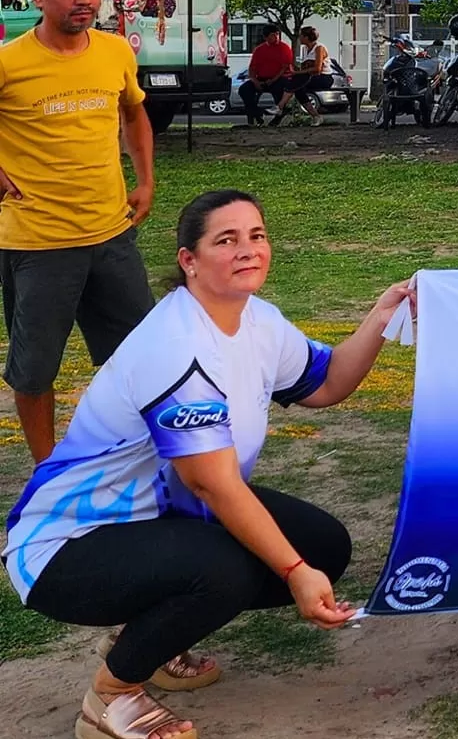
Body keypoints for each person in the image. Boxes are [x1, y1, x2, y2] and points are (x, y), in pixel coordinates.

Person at [6, 189, 413, 739]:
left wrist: (382, 316)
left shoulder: (258, 320)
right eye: (226, 240)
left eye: (257, 235)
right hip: (68, 544)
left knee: (323, 546)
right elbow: (213, 485)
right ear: (189, 261)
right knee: (230, 568)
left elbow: (327, 383)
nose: (248, 249)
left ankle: (145, 639)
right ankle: (111, 696)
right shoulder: (177, 345)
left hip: (160, 517)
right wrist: (294, 573)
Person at [0, 0, 158, 465]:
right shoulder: (10, 63)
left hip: (111, 235)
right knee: (34, 371)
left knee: (141, 357)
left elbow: (133, 113)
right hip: (38, 242)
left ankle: (138, 457)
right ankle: (49, 474)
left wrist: (145, 180)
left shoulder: (115, 52)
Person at [268, 26, 333, 127]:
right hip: (309, 78)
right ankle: (316, 116)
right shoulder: (305, 49)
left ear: (306, 37)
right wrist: (294, 69)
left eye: (301, 36)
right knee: (299, 90)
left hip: (323, 77)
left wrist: (297, 73)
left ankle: (280, 106)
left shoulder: (319, 48)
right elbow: (305, 68)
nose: (299, 38)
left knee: (299, 80)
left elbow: (317, 69)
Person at [239, 26, 293, 125]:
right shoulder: (259, 50)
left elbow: (284, 68)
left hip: (278, 78)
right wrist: (255, 81)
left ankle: (278, 114)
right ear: (265, 37)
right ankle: (256, 113)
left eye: (277, 34)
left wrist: (273, 80)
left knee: (280, 88)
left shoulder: (284, 48)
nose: (276, 37)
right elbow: (252, 68)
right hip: (261, 78)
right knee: (244, 89)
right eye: (272, 35)